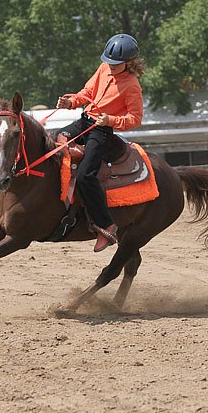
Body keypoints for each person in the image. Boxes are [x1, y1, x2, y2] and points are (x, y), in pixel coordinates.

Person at [55, 33, 145, 252]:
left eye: (116, 64)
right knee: (56, 141)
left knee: (86, 175)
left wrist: (111, 120)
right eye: (109, 62)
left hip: (102, 131)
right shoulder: (104, 68)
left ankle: (106, 224)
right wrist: (70, 102)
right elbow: (87, 93)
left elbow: (135, 118)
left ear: (129, 63)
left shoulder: (132, 86)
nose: (111, 66)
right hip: (85, 121)